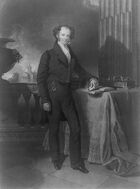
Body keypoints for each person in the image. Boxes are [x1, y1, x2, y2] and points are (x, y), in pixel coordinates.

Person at [37, 25, 96, 173]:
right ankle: (56, 159)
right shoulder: (48, 54)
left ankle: (76, 163)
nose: (66, 38)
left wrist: (92, 77)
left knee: (76, 127)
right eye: (63, 35)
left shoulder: (71, 53)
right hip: (53, 94)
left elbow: (80, 70)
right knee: (54, 129)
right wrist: (45, 99)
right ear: (57, 35)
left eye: (68, 35)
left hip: (68, 95)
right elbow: (40, 79)